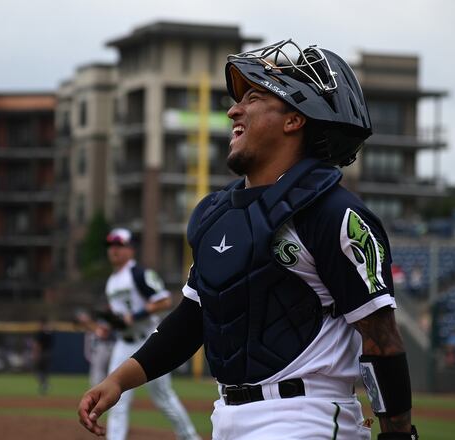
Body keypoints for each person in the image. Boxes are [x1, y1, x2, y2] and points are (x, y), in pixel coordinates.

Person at [79, 40, 417, 439]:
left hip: (306, 416)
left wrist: (397, 434)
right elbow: (191, 320)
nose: (233, 110)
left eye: (254, 97)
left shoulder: (335, 214)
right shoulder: (216, 215)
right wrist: (117, 381)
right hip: (227, 416)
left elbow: (380, 339)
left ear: (295, 120)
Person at [94, 227, 200, 440]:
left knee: (164, 398)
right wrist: (110, 326)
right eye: (111, 246)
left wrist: (135, 315)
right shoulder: (112, 281)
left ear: (130, 249)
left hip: (148, 342)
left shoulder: (139, 274)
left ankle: (190, 437)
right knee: (117, 396)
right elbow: (121, 317)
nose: (113, 250)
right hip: (123, 343)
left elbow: (164, 301)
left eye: (119, 245)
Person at [76, 310, 116, 387]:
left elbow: (103, 332)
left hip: (106, 348)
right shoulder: (92, 328)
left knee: (103, 375)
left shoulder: (104, 322)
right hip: (100, 350)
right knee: (98, 377)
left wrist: (88, 321)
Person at [32, 317, 55, 395]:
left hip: (42, 353)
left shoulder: (41, 332)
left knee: (37, 371)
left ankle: (44, 384)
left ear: (41, 323)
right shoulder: (49, 332)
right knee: (45, 371)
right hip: (49, 353)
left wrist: (36, 353)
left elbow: (38, 345)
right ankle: (45, 385)